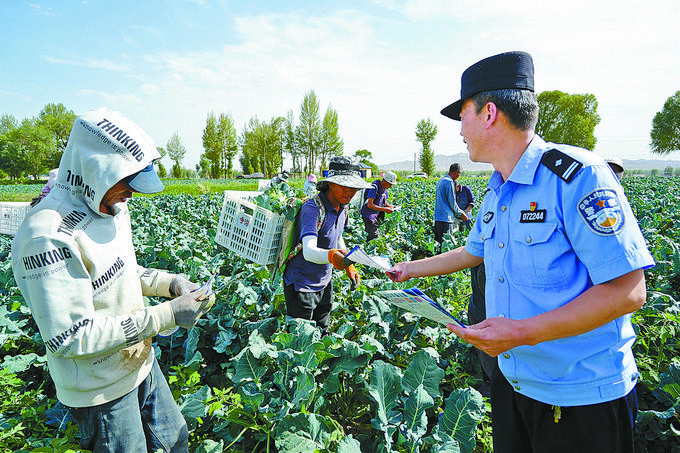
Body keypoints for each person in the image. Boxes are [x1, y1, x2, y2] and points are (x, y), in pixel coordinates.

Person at [388, 51, 654, 452]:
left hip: (579, 395)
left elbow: (628, 290)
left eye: (463, 115)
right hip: (514, 384)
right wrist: (408, 269)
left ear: (489, 113)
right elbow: (471, 253)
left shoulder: (577, 176)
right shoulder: (497, 189)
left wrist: (522, 333)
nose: (460, 129)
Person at [11, 108, 215, 453]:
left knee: (176, 442)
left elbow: (120, 273)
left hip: (141, 364)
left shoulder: (112, 207)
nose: (132, 193)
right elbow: (70, 337)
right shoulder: (46, 235)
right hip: (99, 389)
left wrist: (172, 284)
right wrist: (167, 315)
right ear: (96, 171)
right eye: (127, 182)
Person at [283, 156, 372, 335]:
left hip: (324, 282)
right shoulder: (313, 208)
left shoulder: (342, 207)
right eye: (345, 187)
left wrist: (349, 264)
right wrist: (332, 256)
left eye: (354, 188)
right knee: (299, 339)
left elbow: (337, 237)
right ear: (331, 184)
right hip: (302, 285)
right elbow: (309, 251)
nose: (350, 192)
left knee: (323, 332)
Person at [434, 163, 468, 253]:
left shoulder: (441, 180)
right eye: (460, 174)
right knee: (447, 248)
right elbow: (452, 203)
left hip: (438, 218)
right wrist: (462, 213)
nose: (459, 176)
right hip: (446, 219)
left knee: (438, 246)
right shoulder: (449, 182)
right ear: (457, 172)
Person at [360, 171, 397, 242]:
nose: (390, 186)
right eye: (390, 184)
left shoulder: (384, 189)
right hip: (368, 216)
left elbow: (384, 201)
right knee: (374, 238)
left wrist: (390, 207)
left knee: (371, 236)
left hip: (374, 216)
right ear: (386, 181)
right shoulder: (374, 187)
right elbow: (369, 204)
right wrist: (384, 209)